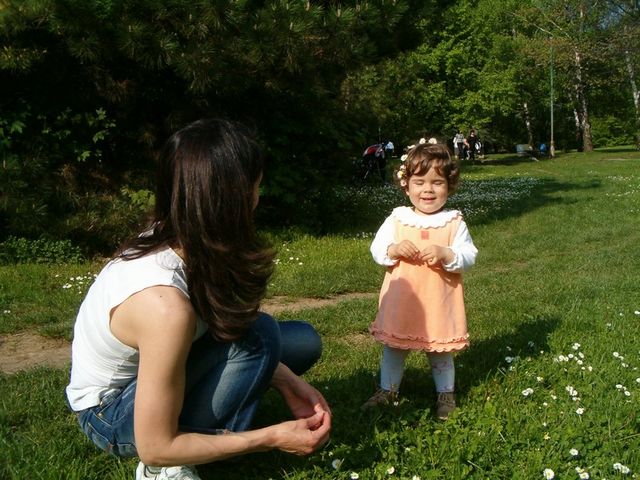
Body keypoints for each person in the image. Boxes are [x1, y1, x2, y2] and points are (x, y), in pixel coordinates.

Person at [65, 119, 331, 480]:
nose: (258, 197)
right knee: (262, 335)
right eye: (256, 186)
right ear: (233, 198)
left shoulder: (187, 234)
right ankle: (168, 467)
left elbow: (224, 324)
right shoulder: (163, 305)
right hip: (110, 415)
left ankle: (209, 418)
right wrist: (269, 438)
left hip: (165, 361)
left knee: (300, 341)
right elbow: (154, 444)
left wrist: (287, 381)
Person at [362, 140, 478, 420]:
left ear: (449, 186)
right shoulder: (398, 219)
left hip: (438, 301)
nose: (428, 189)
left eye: (437, 182)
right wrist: (393, 249)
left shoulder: (454, 222)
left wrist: (446, 253)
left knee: (439, 351)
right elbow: (377, 249)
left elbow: (469, 256)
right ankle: (388, 390)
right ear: (406, 185)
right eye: (420, 182)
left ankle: (445, 394)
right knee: (394, 348)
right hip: (402, 301)